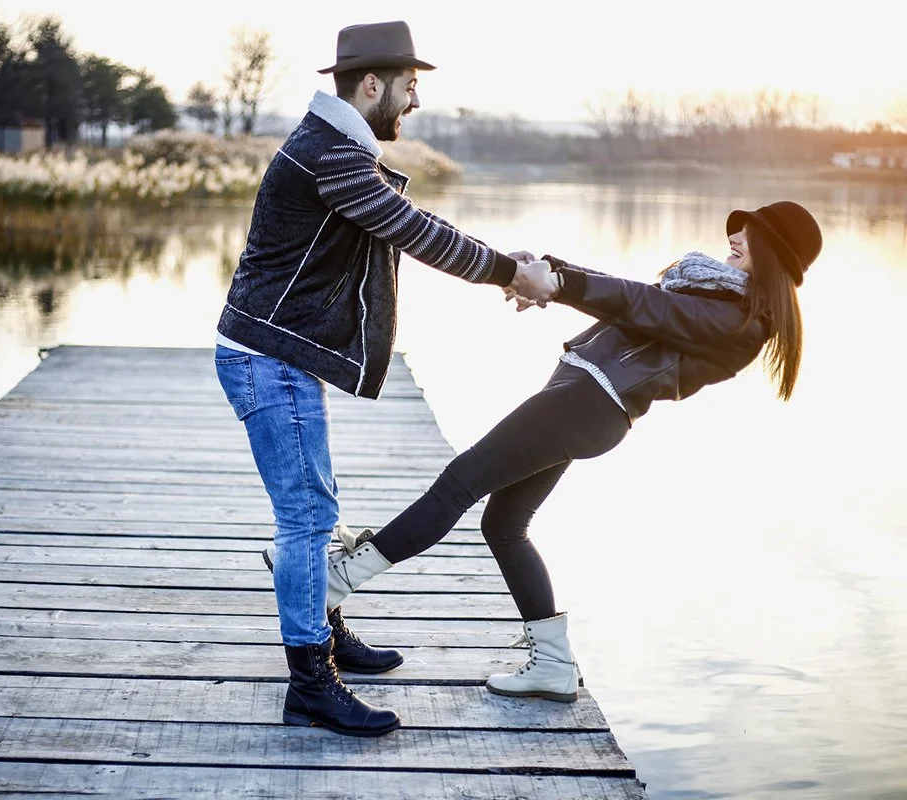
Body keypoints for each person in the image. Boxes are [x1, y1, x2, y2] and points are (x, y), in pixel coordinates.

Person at [313, 200, 822, 703]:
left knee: (459, 482)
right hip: (583, 402)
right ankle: (554, 665)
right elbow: (636, 297)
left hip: (588, 403)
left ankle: (333, 583)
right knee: (504, 526)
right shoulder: (719, 296)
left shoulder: (740, 323)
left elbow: (643, 305)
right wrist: (549, 272)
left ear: (774, 254)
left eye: (750, 231)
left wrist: (559, 286)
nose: (735, 235)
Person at [214, 19, 552, 737]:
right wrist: (507, 272)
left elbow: (411, 222)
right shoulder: (328, 155)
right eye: (409, 87)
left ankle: (325, 636)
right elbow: (416, 232)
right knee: (306, 517)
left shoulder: (335, 151)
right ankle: (310, 681)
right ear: (372, 85)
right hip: (268, 359)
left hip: (277, 356)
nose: (415, 102)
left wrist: (504, 259)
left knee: (316, 508)